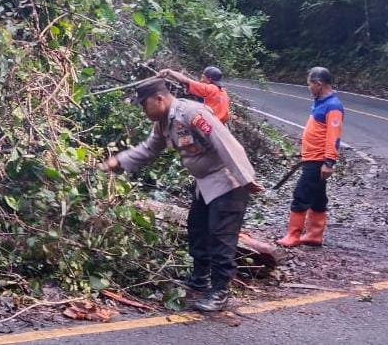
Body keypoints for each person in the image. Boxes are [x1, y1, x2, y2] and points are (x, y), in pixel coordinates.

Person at [100, 78, 261, 312]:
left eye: (144, 105)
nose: (144, 111)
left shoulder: (192, 113)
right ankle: (200, 278)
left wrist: (246, 178)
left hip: (228, 182)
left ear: (159, 99)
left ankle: (220, 291)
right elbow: (149, 149)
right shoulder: (164, 122)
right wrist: (119, 161)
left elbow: (225, 142)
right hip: (205, 184)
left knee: (220, 236)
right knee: (197, 229)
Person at [277, 67, 343, 247]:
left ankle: (293, 235)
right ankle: (314, 235)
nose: (308, 87)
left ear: (318, 84)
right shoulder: (320, 102)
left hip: (318, 160)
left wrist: (329, 162)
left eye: (309, 84)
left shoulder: (333, 106)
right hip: (311, 157)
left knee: (301, 194)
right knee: (318, 197)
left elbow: (333, 136)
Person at [158, 66, 230, 124]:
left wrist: (169, 71)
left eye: (202, 77)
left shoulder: (209, 88)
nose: (201, 80)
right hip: (220, 127)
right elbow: (227, 117)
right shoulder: (224, 94)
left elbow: (185, 80)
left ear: (209, 79)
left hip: (208, 126)